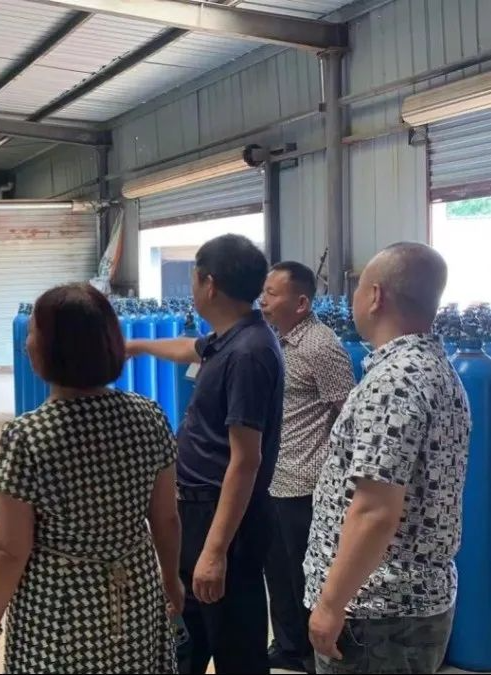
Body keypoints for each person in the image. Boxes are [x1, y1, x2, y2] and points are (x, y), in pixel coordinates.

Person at [0, 283, 183, 675]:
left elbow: (9, 549)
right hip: (136, 592)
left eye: (33, 332)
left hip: (58, 607)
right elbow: (166, 518)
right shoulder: (149, 416)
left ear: (50, 349)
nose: (27, 341)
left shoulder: (28, 437)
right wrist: (171, 581)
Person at [304, 243, 470, 675]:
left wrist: (330, 604)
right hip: (406, 608)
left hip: (375, 614)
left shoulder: (395, 383)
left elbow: (375, 511)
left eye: (359, 288)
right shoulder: (437, 369)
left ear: (375, 296)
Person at [127, 234, 283, 674]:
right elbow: (189, 348)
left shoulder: (249, 353)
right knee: (188, 636)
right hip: (198, 511)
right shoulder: (229, 338)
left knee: (236, 646)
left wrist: (215, 551)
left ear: (209, 284)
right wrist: (135, 347)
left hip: (223, 517)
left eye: (195, 278)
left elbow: (246, 460)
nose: (193, 287)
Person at [259, 261, 355, 673]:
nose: (263, 301)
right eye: (263, 291)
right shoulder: (273, 340)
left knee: (306, 576)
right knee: (277, 573)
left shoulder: (321, 346)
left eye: (272, 293)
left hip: (305, 483)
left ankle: (314, 655)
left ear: (300, 303)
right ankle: (288, 646)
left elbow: (348, 413)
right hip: (272, 478)